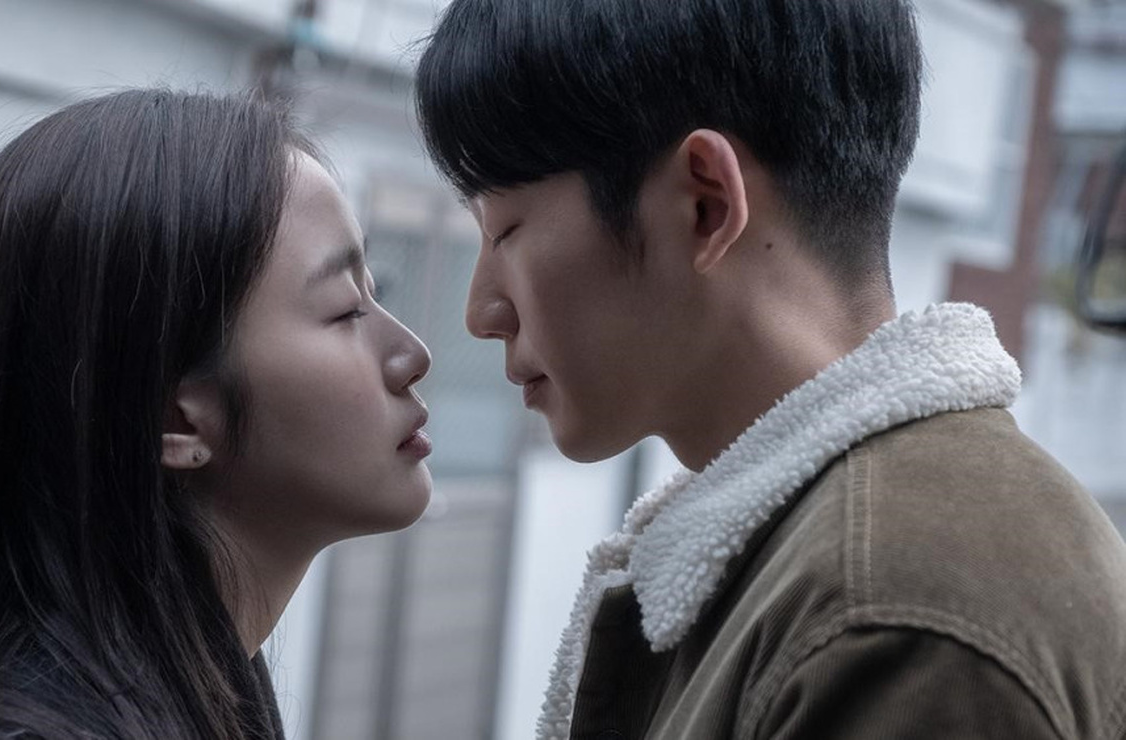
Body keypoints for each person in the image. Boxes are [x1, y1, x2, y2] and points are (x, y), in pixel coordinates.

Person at [415, 1, 1126, 738]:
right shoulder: (853, 562)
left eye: (505, 231)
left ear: (705, 204)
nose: (481, 312)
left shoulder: (890, 615)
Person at [0, 89, 432, 739]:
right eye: (344, 310)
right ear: (176, 418)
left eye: (375, 292)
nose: (413, 355)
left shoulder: (181, 686)